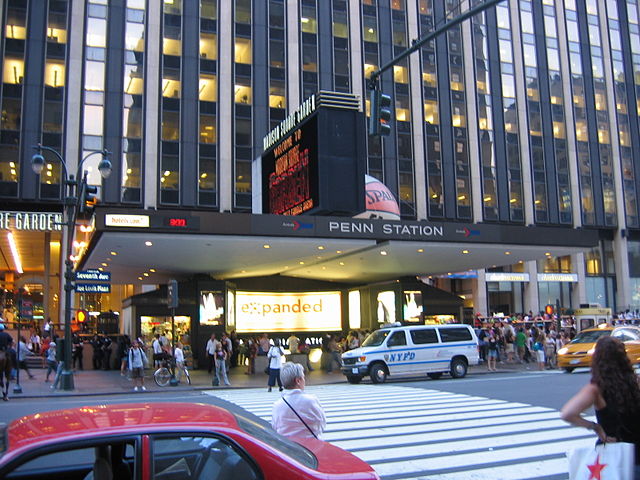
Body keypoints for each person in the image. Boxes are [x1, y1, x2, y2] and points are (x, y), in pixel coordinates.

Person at [561, 336, 640, 479]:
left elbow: (568, 413)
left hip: (614, 453)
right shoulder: (636, 382)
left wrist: (595, 427)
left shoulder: (596, 388)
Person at [271, 362, 326, 439]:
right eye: (303, 377)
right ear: (298, 381)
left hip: (288, 447)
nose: (304, 380)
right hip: (311, 446)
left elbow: (275, 427)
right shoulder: (311, 401)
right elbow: (321, 423)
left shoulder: (277, 405)